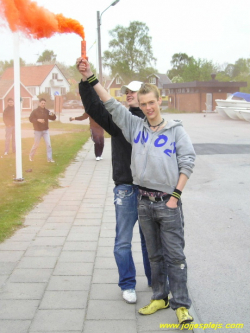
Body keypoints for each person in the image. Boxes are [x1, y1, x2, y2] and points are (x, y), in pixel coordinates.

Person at [77, 59, 196, 325]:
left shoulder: (173, 129)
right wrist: (90, 78)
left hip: (166, 200)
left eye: (150, 102)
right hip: (138, 197)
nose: (147, 107)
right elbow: (107, 104)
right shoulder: (132, 125)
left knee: (171, 253)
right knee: (144, 250)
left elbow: (187, 161)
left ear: (158, 101)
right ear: (137, 104)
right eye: (142, 103)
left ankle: (178, 302)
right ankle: (152, 293)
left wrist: (175, 197)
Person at [77, 69, 151, 304]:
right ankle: (128, 284)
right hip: (126, 189)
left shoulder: (152, 123)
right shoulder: (119, 121)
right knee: (122, 241)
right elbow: (94, 106)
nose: (129, 93)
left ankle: (156, 280)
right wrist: (83, 80)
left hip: (150, 190)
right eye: (127, 91)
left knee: (151, 240)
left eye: (134, 91)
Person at [29, 98, 56, 162]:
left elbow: (53, 118)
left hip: (45, 130)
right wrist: (38, 120)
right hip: (37, 130)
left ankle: (49, 159)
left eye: (44, 103)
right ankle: (31, 156)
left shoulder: (47, 111)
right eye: (42, 103)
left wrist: (53, 115)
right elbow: (30, 119)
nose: (43, 104)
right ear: (39, 103)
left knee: (48, 144)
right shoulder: (35, 111)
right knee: (36, 145)